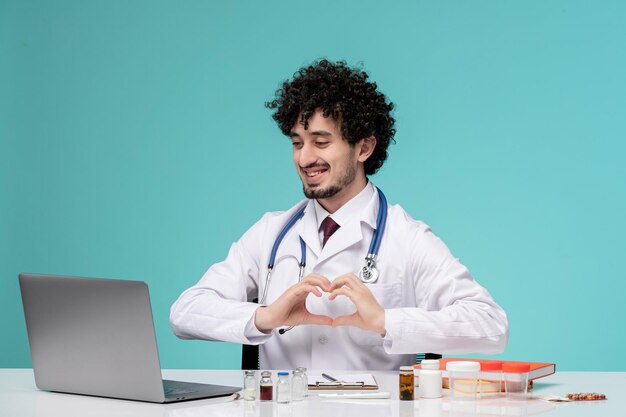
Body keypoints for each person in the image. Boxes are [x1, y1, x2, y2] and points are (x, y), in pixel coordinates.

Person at [170, 59, 508, 370]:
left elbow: (491, 324)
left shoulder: (407, 239)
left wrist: (386, 320)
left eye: (320, 142)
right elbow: (185, 312)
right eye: (297, 143)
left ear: (363, 147)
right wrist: (265, 316)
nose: (304, 159)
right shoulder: (271, 233)